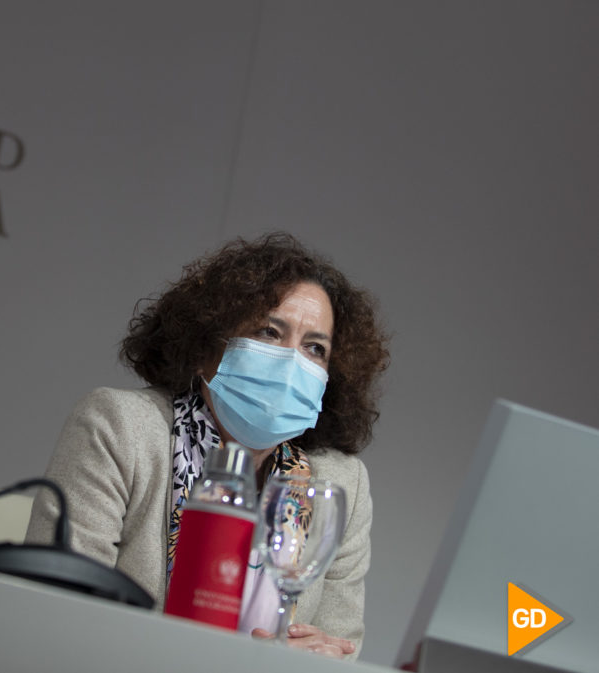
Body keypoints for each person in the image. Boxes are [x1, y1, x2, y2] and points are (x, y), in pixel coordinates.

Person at [26, 233, 390, 660]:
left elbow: (341, 646)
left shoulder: (342, 483)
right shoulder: (120, 427)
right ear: (206, 346)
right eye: (270, 332)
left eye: (315, 348)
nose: (293, 362)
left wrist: (319, 660)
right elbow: (56, 610)